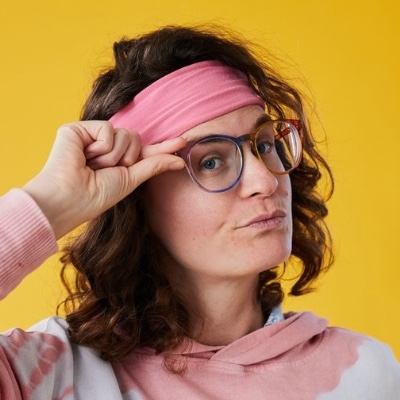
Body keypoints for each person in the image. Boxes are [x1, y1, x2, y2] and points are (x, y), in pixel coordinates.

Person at [0, 25, 399, 400]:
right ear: (135, 198)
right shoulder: (47, 374)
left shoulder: (369, 375)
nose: (266, 179)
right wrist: (49, 202)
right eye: (210, 161)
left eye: (263, 144)